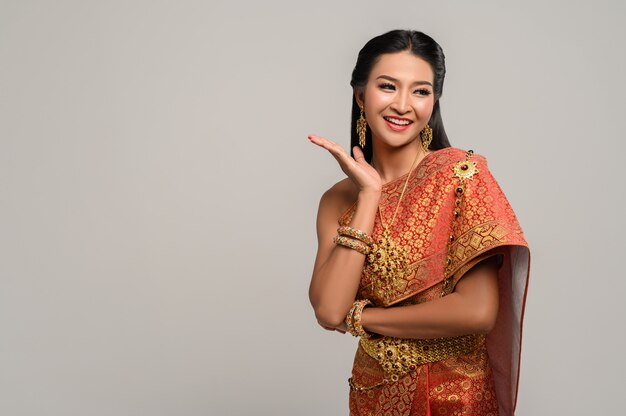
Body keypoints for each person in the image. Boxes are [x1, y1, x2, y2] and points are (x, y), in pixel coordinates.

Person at [307, 30, 530, 416]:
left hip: (454, 396)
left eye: (421, 91)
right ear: (361, 95)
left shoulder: (461, 175)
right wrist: (369, 196)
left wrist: (363, 318)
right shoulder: (338, 199)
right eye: (388, 86)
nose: (403, 105)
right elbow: (328, 310)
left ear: (434, 101)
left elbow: (477, 311)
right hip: (372, 394)